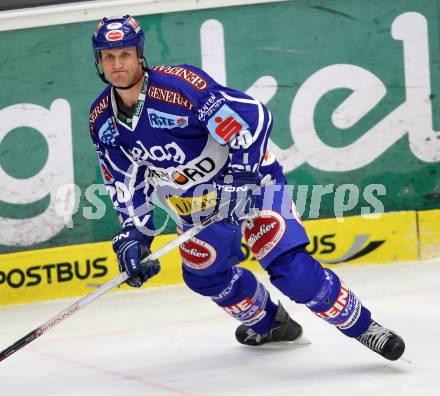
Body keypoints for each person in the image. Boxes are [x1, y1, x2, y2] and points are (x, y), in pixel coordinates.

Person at [89, 15, 405, 361]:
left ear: (139, 55)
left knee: (291, 269)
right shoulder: (102, 120)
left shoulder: (180, 87)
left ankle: (365, 327)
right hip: (196, 205)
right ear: (99, 61)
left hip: (254, 185)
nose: (117, 64)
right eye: (109, 56)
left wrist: (240, 179)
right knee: (204, 275)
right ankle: (272, 323)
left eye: (125, 55)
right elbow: (124, 180)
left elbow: (253, 118)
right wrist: (136, 235)